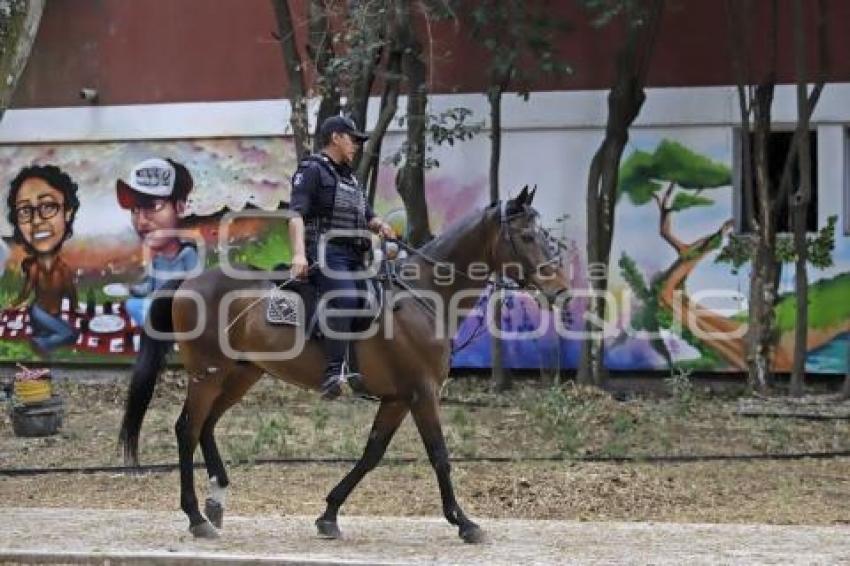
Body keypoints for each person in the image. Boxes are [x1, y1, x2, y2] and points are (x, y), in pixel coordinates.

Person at [288, 115, 395, 399]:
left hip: (352, 255)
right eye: (353, 139)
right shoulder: (312, 170)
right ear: (335, 137)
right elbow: (295, 215)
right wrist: (299, 255)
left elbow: (367, 215)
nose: (357, 145)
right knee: (345, 298)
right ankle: (334, 373)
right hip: (323, 252)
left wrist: (381, 225)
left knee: (372, 298)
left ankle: (361, 371)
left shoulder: (350, 177)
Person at [116, 158, 199, 326]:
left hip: (179, 314)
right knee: (133, 305)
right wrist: (130, 289)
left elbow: (196, 292)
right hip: (157, 310)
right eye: (135, 210)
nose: (141, 221)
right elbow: (149, 287)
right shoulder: (157, 260)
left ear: (180, 207)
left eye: (153, 207)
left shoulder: (188, 255)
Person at [7, 165, 80, 354]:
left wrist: (75, 308)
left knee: (67, 331)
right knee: (70, 334)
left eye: (48, 206)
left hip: (52, 315)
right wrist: (15, 305)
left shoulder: (63, 268)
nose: (36, 221)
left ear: (68, 212)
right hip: (38, 312)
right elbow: (26, 292)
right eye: (24, 211)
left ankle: (42, 339)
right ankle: (42, 343)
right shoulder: (34, 269)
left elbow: (70, 291)